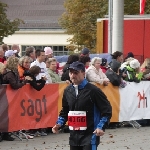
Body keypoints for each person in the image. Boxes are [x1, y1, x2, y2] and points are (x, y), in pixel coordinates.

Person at [52, 61, 112, 150]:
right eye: (71, 73)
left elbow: (107, 111)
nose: (73, 75)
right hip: (74, 136)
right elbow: (65, 110)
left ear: (83, 73)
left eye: (76, 73)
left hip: (90, 135)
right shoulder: (68, 91)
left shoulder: (93, 90)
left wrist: (101, 127)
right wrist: (59, 123)